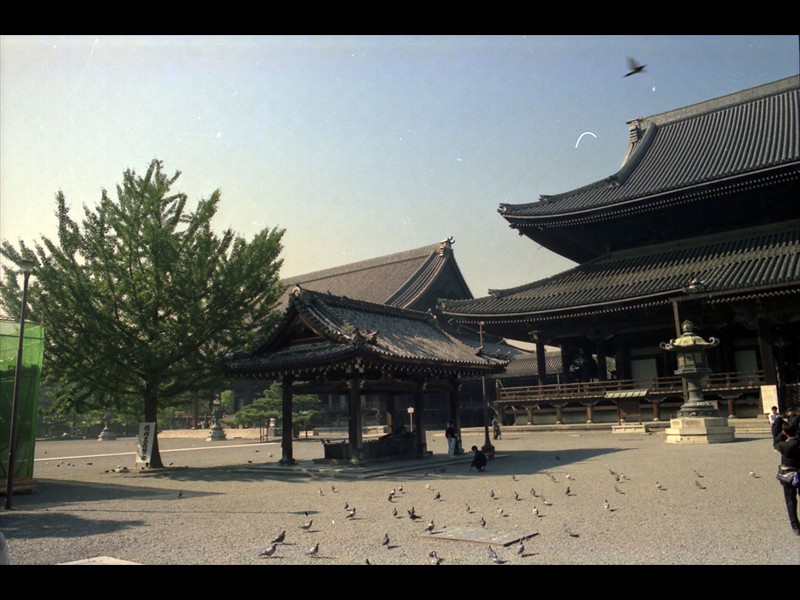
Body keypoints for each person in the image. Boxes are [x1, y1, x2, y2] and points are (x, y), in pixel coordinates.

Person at [773, 419, 800, 536]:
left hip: (788, 474)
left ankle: (795, 526)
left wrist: (782, 432)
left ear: (785, 432)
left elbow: (775, 442)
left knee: (790, 501)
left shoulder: (784, 446)